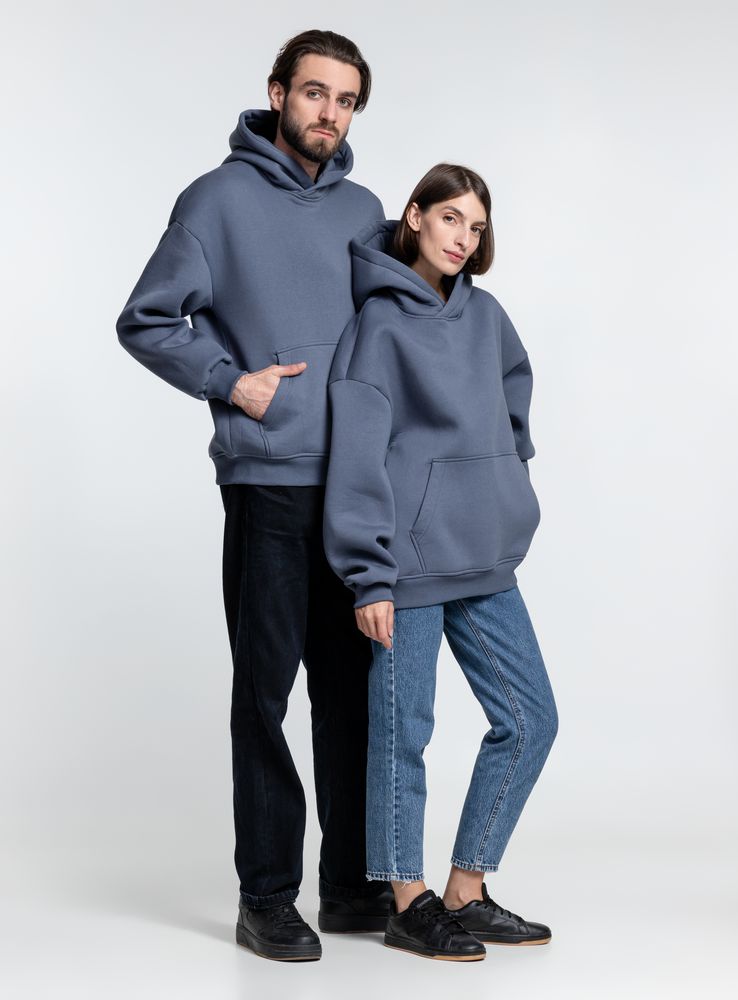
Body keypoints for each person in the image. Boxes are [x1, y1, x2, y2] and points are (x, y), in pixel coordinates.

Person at [116, 29, 393, 962]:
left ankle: (351, 888)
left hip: (354, 491)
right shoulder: (216, 199)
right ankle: (267, 896)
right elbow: (147, 318)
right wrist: (232, 383)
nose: (329, 113)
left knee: (353, 698)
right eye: (315, 93)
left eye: (345, 100)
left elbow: (392, 333)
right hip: (269, 487)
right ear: (278, 93)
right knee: (265, 696)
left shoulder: (365, 210)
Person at [323, 164, 559, 961]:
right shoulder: (379, 326)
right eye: (451, 218)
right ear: (416, 217)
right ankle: (406, 898)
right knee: (404, 733)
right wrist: (370, 574)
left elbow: (514, 398)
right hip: (408, 566)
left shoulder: (487, 316)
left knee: (531, 719)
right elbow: (358, 456)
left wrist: (505, 475)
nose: (463, 237)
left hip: (486, 556)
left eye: (477, 226)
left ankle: (465, 889)